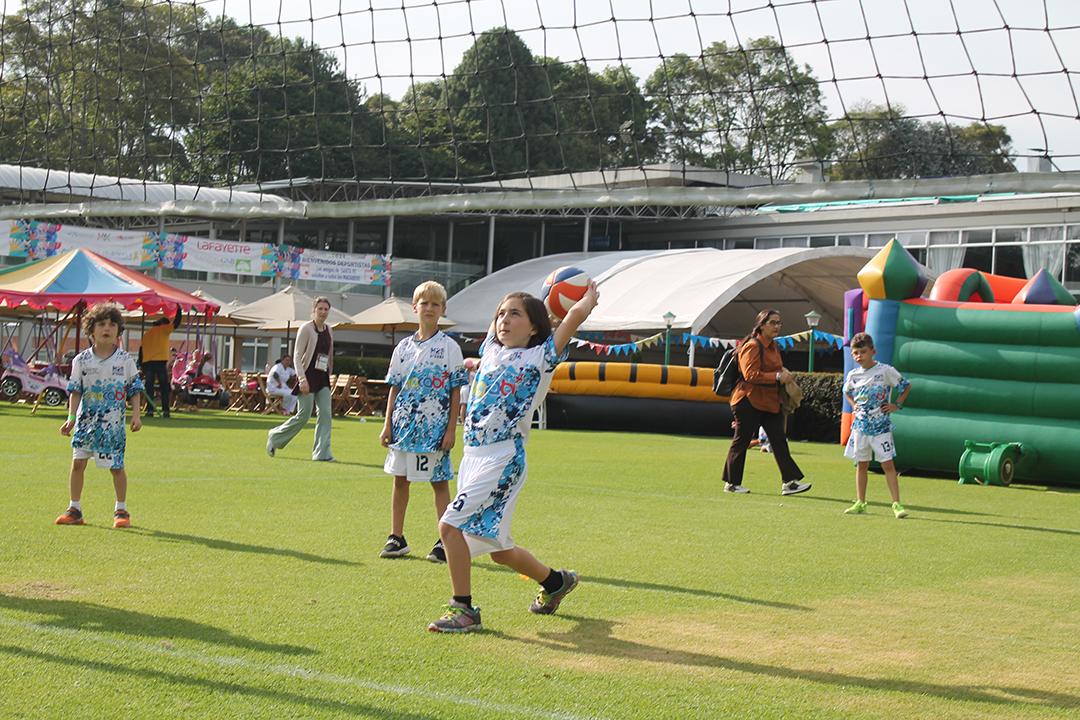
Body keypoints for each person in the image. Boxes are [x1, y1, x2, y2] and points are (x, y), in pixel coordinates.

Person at [427, 284, 599, 633]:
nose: (504, 320)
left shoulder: (541, 357)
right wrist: (519, 302)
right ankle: (556, 582)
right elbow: (500, 322)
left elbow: (572, 319)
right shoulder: (490, 349)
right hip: (473, 456)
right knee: (499, 551)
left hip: (503, 457)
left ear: (534, 327)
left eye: (515, 314)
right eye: (501, 314)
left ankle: (464, 609)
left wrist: (586, 301)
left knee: (448, 526)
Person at [379, 281, 469, 563]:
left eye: (435, 304)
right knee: (400, 480)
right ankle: (396, 537)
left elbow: (456, 390)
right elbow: (395, 387)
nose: (429, 308)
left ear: (443, 309)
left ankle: (445, 541)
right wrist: (387, 424)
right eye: (424, 303)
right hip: (404, 426)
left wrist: (451, 428)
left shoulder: (449, 347)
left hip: (435, 429)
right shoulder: (403, 347)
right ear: (414, 307)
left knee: (439, 483)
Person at [55, 302, 143, 529]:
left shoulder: (125, 360)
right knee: (78, 464)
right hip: (85, 424)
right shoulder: (81, 360)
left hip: (112, 426)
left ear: (118, 330)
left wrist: (136, 415)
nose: (107, 328)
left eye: (112, 324)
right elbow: (75, 391)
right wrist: (71, 419)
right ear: (91, 330)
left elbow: (134, 389)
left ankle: (121, 510)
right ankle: (74, 509)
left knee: (116, 467)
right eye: (102, 324)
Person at [721, 309, 811, 496]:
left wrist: (784, 374)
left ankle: (790, 483)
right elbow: (750, 374)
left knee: (779, 441)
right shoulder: (752, 345)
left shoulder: (773, 346)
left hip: (769, 401)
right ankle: (732, 483)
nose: (777, 326)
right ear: (761, 325)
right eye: (773, 322)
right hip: (748, 400)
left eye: (779, 323)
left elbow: (774, 368)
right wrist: (777, 376)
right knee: (741, 441)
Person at [842, 332, 912, 519]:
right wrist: (854, 405)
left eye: (863, 352)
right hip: (860, 427)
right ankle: (860, 502)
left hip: (881, 427)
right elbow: (846, 391)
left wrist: (896, 405)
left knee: (887, 464)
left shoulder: (885, 371)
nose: (859, 356)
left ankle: (896, 504)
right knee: (861, 464)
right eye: (855, 353)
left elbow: (906, 386)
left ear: (873, 351)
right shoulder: (853, 375)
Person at [266, 296, 335, 461]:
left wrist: (330, 373)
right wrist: (302, 379)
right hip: (308, 376)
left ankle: (322, 453)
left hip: (323, 377)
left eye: (326, 309)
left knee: (326, 414)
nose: (323, 312)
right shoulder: (306, 329)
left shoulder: (329, 329)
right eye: (320, 309)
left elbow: (329, 354)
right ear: (314, 310)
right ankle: (275, 437)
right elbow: (297, 356)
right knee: (303, 416)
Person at [139, 307, 180, 417]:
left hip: (148, 363)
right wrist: (178, 309)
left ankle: (150, 410)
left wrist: (141, 366)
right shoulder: (164, 329)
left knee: (149, 388)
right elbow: (176, 322)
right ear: (164, 324)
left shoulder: (147, 333)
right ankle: (166, 410)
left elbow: (141, 350)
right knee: (164, 388)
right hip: (160, 362)